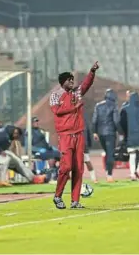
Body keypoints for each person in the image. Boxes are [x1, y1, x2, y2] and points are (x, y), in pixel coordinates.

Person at [49, 61, 99, 209]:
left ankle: (75, 201)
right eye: (69, 80)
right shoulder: (55, 95)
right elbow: (57, 111)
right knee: (66, 167)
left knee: (78, 168)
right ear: (63, 82)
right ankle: (57, 196)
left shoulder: (76, 93)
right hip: (65, 136)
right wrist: (74, 107)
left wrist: (92, 72)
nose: (72, 82)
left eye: (73, 80)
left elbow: (86, 85)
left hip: (79, 135)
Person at [92, 88, 120, 182]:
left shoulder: (98, 105)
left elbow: (94, 120)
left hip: (100, 133)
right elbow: (116, 120)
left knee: (108, 153)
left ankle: (108, 172)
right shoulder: (114, 106)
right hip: (110, 133)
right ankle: (109, 175)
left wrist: (95, 132)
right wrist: (119, 131)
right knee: (110, 153)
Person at [120, 92, 139, 181]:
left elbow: (121, 123)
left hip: (130, 136)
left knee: (132, 155)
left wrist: (125, 134)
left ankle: (132, 174)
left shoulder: (124, 109)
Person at [83, 112, 98, 183]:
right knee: (86, 160)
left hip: (80, 142)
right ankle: (93, 178)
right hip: (81, 142)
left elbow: (87, 129)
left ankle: (93, 178)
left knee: (86, 160)